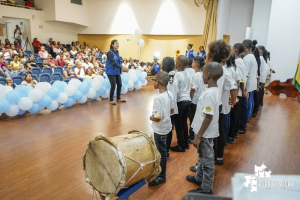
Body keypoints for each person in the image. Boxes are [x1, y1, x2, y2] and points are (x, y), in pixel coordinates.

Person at [186, 62, 223, 195]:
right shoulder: (211, 89)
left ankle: (206, 189)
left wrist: (198, 136)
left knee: (207, 161)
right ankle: (199, 178)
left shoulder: (210, 94)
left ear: (208, 75)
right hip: (203, 132)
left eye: (203, 72)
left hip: (205, 134)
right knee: (201, 156)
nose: (201, 75)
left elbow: (208, 117)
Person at [148, 71, 174, 186]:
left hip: (159, 130)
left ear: (158, 82)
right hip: (167, 127)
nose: (152, 82)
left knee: (161, 153)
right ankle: (159, 173)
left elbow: (157, 118)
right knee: (162, 151)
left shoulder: (158, 98)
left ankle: (162, 176)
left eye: (153, 80)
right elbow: (172, 110)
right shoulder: (170, 94)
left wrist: (151, 117)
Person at [170, 55, 191, 152]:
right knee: (184, 123)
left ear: (177, 64)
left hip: (180, 101)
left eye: (176, 61)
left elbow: (175, 91)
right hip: (188, 100)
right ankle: (186, 143)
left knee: (178, 124)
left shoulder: (177, 75)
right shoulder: (186, 73)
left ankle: (181, 145)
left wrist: (172, 105)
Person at [161, 57, 178, 157]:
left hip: (164, 106)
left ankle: (162, 149)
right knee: (170, 128)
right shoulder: (176, 75)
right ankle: (166, 150)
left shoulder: (162, 76)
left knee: (163, 128)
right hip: (173, 105)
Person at [189, 56, 206, 143]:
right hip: (202, 99)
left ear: (194, 64)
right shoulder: (204, 73)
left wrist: (190, 98)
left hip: (195, 100)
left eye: (192, 62)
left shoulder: (196, 75)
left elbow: (193, 89)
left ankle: (192, 135)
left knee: (193, 118)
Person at [232, 43, 247, 136]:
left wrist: (241, 91)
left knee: (235, 114)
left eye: (232, 49)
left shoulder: (237, 62)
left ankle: (234, 133)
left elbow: (240, 79)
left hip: (237, 92)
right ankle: (235, 132)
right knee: (236, 113)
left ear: (235, 50)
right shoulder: (241, 60)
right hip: (239, 91)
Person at [224, 53, 240, 144]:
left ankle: (226, 138)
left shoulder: (227, 70)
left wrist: (232, 98)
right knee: (229, 117)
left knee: (226, 118)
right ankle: (228, 137)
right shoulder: (234, 69)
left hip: (228, 97)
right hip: (231, 96)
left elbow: (233, 85)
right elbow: (237, 83)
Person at [106, 39, 127, 105]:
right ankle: (111, 99)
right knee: (113, 85)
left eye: (118, 43)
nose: (117, 44)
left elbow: (119, 62)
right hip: (111, 72)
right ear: (112, 45)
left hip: (117, 71)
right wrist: (122, 67)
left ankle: (118, 98)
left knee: (120, 84)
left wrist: (121, 70)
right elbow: (114, 63)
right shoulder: (110, 52)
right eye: (116, 43)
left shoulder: (117, 52)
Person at [243, 39, 258, 122]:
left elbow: (246, 74)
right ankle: (248, 117)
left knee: (247, 103)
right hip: (252, 83)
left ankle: (246, 118)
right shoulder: (252, 56)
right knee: (250, 101)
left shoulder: (247, 58)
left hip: (248, 84)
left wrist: (244, 88)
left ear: (245, 47)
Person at [251, 40, 261, 117]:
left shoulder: (251, 59)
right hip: (254, 81)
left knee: (251, 99)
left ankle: (252, 113)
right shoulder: (257, 59)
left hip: (251, 82)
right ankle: (253, 112)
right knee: (252, 99)